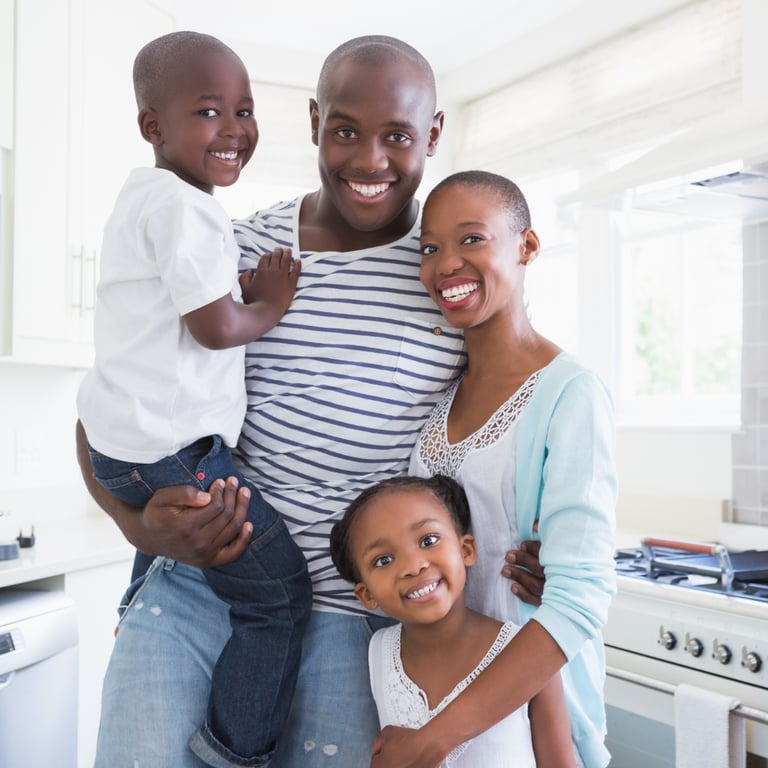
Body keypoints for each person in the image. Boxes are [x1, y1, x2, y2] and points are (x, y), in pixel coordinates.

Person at [76, 35, 469, 767]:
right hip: (197, 590)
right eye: (346, 130)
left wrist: (528, 547)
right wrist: (136, 528)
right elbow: (109, 402)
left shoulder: (446, 274)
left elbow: (501, 426)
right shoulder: (235, 244)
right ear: (315, 120)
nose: (370, 161)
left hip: (360, 622)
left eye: (399, 136)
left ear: (434, 135)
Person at [75, 31, 312, 768]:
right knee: (278, 599)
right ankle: (232, 754)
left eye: (244, 108)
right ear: (154, 126)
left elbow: (184, 315)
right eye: (210, 111)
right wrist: (267, 302)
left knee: (197, 558)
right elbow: (214, 329)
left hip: (126, 451)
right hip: (177, 455)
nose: (236, 128)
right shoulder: (193, 211)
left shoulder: (141, 200)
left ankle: (137, 603)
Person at [377, 170, 616, 768]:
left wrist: (435, 740)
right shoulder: (436, 403)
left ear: (527, 246)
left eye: (472, 239)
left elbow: (580, 597)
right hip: (428, 705)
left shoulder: (570, 393)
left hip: (529, 723)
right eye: (430, 248)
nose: (445, 265)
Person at [329, 474, 576, 768]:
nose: (413, 565)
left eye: (428, 540)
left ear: (466, 550)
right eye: (383, 560)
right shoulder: (378, 651)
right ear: (366, 594)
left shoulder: (528, 653)